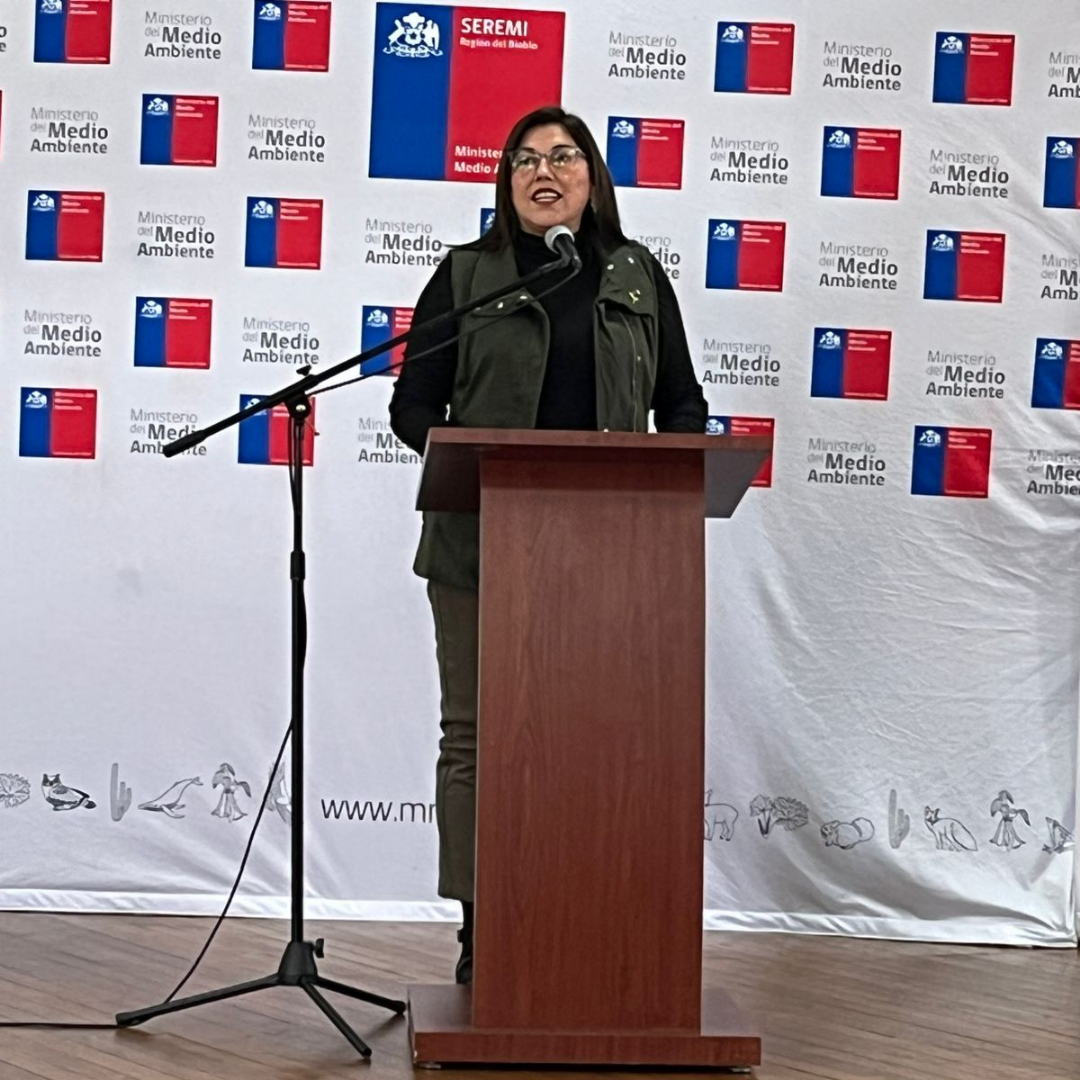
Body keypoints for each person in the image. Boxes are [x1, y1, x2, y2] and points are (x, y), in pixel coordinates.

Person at [388, 106, 707, 985]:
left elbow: (683, 402)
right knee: (476, 736)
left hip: (612, 553)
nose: (543, 172)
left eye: (563, 157)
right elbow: (412, 405)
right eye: (524, 159)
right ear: (506, 183)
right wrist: (475, 463)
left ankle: (594, 918)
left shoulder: (636, 275)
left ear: (592, 178)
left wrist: (671, 470)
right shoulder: (467, 275)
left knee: (601, 738)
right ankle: (482, 925)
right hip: (479, 547)